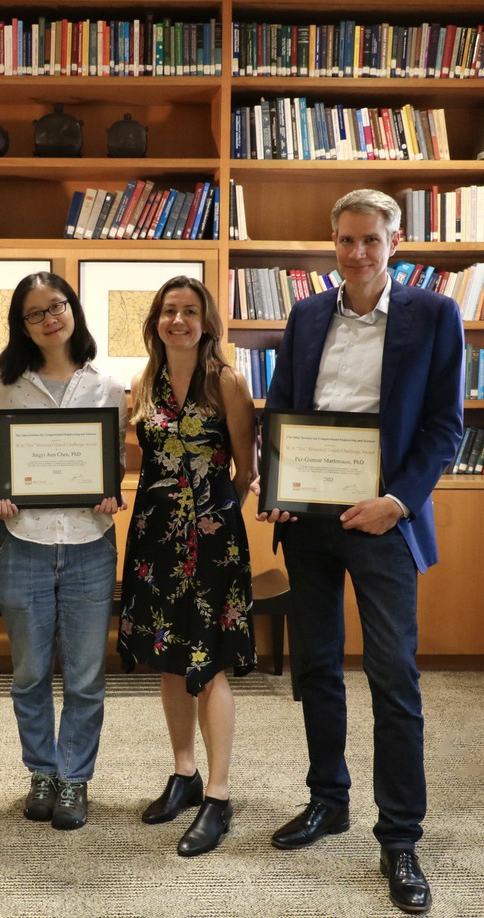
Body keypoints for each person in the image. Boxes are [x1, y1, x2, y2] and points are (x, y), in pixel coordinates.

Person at [257, 189, 464, 915]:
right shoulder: (307, 313)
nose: (356, 253)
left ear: (394, 242)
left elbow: (445, 425)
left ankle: (400, 835)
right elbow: (281, 407)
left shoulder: (433, 315)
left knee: (391, 677)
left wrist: (398, 501)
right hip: (308, 516)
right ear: (331, 243)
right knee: (315, 666)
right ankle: (327, 800)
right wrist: (275, 484)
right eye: (344, 241)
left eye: (370, 241)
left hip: (382, 517)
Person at [118, 276, 258, 857]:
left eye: (190, 311)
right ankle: (184, 773)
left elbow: (245, 468)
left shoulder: (226, 381)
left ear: (206, 322)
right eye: (169, 311)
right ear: (155, 321)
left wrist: (215, 517)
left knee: (213, 663)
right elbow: (130, 458)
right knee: (169, 659)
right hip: (153, 536)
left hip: (212, 538)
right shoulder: (142, 384)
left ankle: (218, 796)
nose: (178, 320)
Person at [0, 271, 127, 831]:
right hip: (23, 543)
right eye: (35, 313)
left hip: (90, 542)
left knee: (87, 675)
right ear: (22, 326)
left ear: (73, 310)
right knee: (30, 673)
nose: (49, 319)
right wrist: (1, 494)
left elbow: (112, 464)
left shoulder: (108, 389)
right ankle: (41, 771)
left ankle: (74, 779)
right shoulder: (5, 389)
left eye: (57, 306)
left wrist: (110, 492)